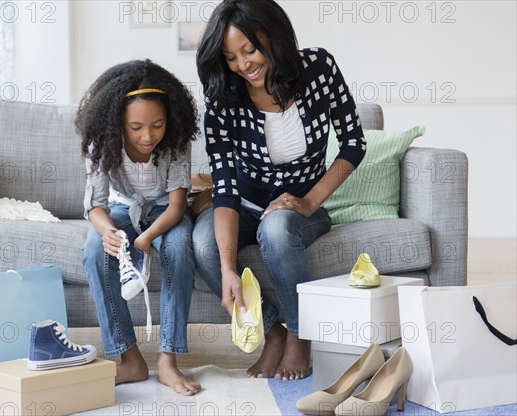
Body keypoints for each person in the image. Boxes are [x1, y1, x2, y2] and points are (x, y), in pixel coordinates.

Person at [193, 0, 367, 381]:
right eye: (231, 57)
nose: (243, 65)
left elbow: (354, 143)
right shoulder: (223, 98)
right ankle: (273, 332)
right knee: (205, 244)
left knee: (275, 226)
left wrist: (308, 201)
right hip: (245, 205)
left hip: (299, 211)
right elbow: (224, 187)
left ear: (273, 36)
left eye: (250, 50)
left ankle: (301, 335)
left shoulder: (318, 69)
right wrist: (226, 269)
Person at [76, 59, 201, 395]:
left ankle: (168, 360)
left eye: (157, 125)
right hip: (120, 208)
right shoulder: (101, 144)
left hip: (164, 211)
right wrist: (108, 233)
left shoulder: (174, 140)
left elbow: (176, 205)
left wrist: (147, 237)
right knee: (93, 253)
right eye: (136, 128)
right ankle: (129, 359)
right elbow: (96, 206)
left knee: (177, 249)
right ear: (118, 124)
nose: (148, 136)